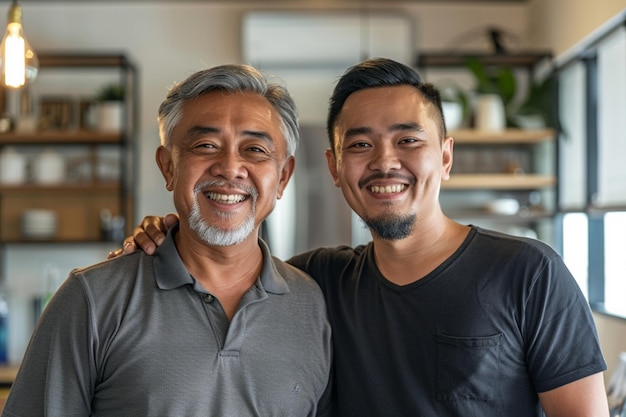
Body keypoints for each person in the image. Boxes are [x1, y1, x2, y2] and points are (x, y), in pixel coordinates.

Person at [115, 58, 609, 416]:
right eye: (360, 144)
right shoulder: (316, 281)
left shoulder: (528, 271)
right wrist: (169, 232)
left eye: (408, 139)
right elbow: (228, 263)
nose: (384, 161)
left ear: (445, 156)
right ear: (333, 167)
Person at [2, 64, 333, 416]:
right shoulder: (93, 300)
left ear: (283, 177)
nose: (229, 167)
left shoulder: (311, 304)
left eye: (254, 150)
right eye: (205, 145)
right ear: (168, 167)